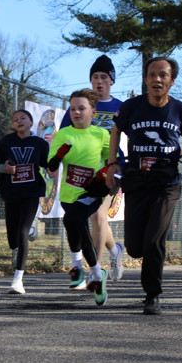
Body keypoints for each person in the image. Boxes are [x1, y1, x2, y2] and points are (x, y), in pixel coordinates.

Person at [104, 56, 182, 315]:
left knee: (153, 241)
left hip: (166, 183)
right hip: (137, 180)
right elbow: (115, 130)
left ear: (172, 81)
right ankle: (128, 253)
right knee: (135, 247)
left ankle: (152, 295)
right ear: (146, 79)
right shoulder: (132, 106)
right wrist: (113, 162)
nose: (157, 79)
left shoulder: (179, 109)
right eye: (152, 74)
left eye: (163, 75)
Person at [59, 55, 126, 281]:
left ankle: (95, 272)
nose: (99, 81)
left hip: (109, 168)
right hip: (81, 172)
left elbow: (134, 135)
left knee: (98, 214)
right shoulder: (80, 105)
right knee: (91, 217)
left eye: (104, 77)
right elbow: (64, 136)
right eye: (95, 77)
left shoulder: (121, 107)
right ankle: (115, 251)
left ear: (111, 81)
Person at [49, 89, 112, 305]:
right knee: (78, 227)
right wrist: (57, 158)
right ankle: (97, 275)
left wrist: (105, 175)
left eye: (81, 108)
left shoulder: (101, 134)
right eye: (73, 109)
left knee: (72, 220)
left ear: (93, 112)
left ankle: (76, 266)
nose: (76, 112)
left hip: (91, 192)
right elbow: (51, 163)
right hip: (68, 193)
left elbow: (112, 161)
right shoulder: (63, 134)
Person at [0, 109, 50, 295]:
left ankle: (17, 280)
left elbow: (46, 163)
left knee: (22, 231)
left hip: (31, 192)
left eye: (23, 118)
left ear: (31, 122)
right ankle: (28, 230)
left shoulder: (39, 143)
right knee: (13, 239)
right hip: (11, 192)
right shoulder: (6, 142)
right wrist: (4, 168)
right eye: (15, 119)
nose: (19, 121)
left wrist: (52, 168)